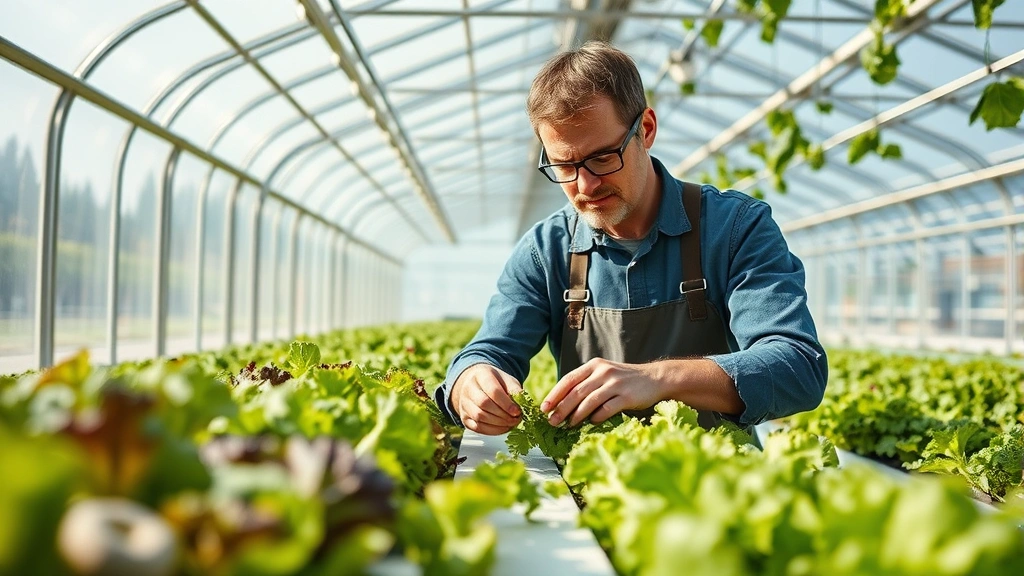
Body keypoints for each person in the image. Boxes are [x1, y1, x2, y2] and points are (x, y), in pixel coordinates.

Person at [433, 41, 827, 435]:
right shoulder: (546, 250)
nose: (584, 184)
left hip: (717, 485)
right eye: (564, 165)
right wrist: (471, 382)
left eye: (603, 157)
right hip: (589, 490)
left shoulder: (735, 228)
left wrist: (659, 380)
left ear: (647, 130)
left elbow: (798, 366)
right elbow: (490, 349)